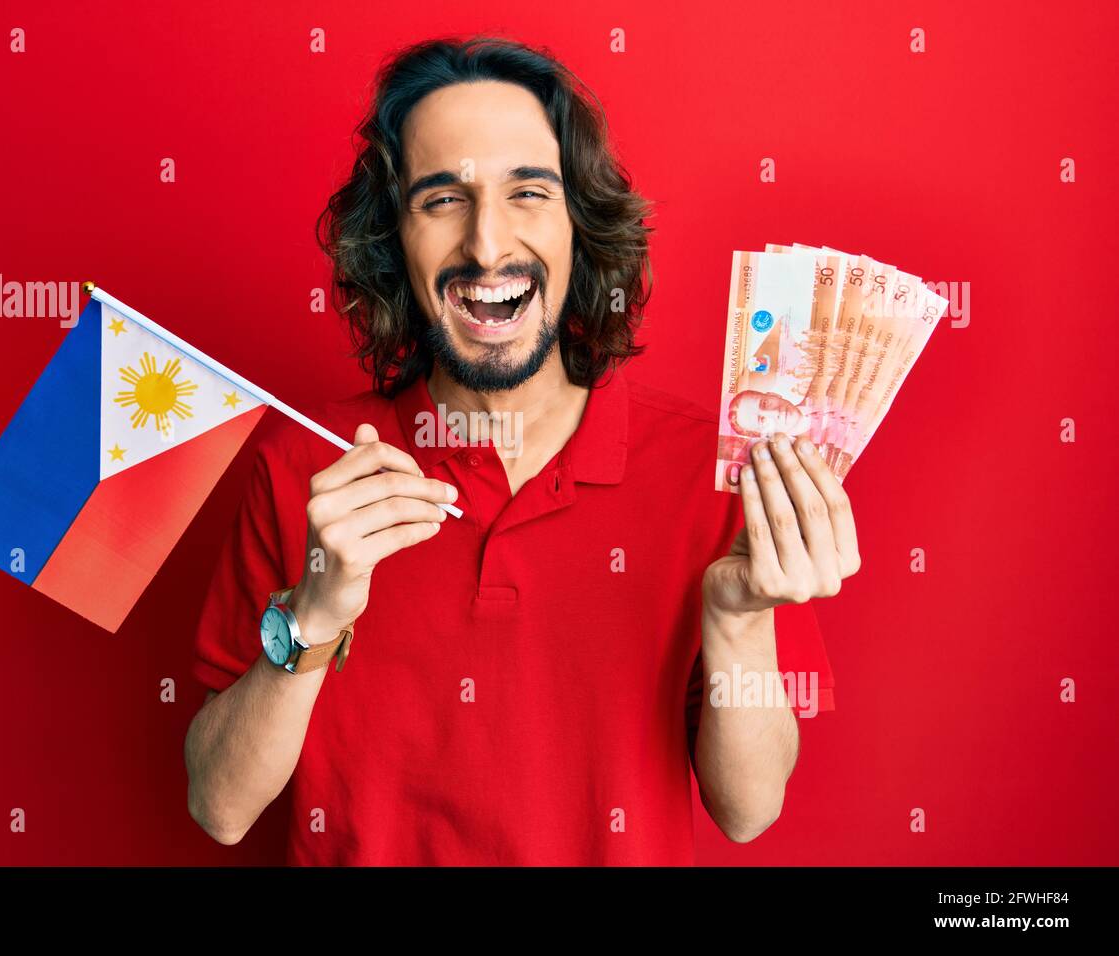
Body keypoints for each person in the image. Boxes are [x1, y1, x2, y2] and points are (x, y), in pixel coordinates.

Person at [183, 36, 860, 865]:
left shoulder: (709, 467)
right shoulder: (305, 469)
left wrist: (739, 621)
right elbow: (219, 807)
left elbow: (749, 810)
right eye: (442, 200)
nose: (488, 246)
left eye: (529, 192)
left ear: (581, 225)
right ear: (392, 238)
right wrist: (314, 616)